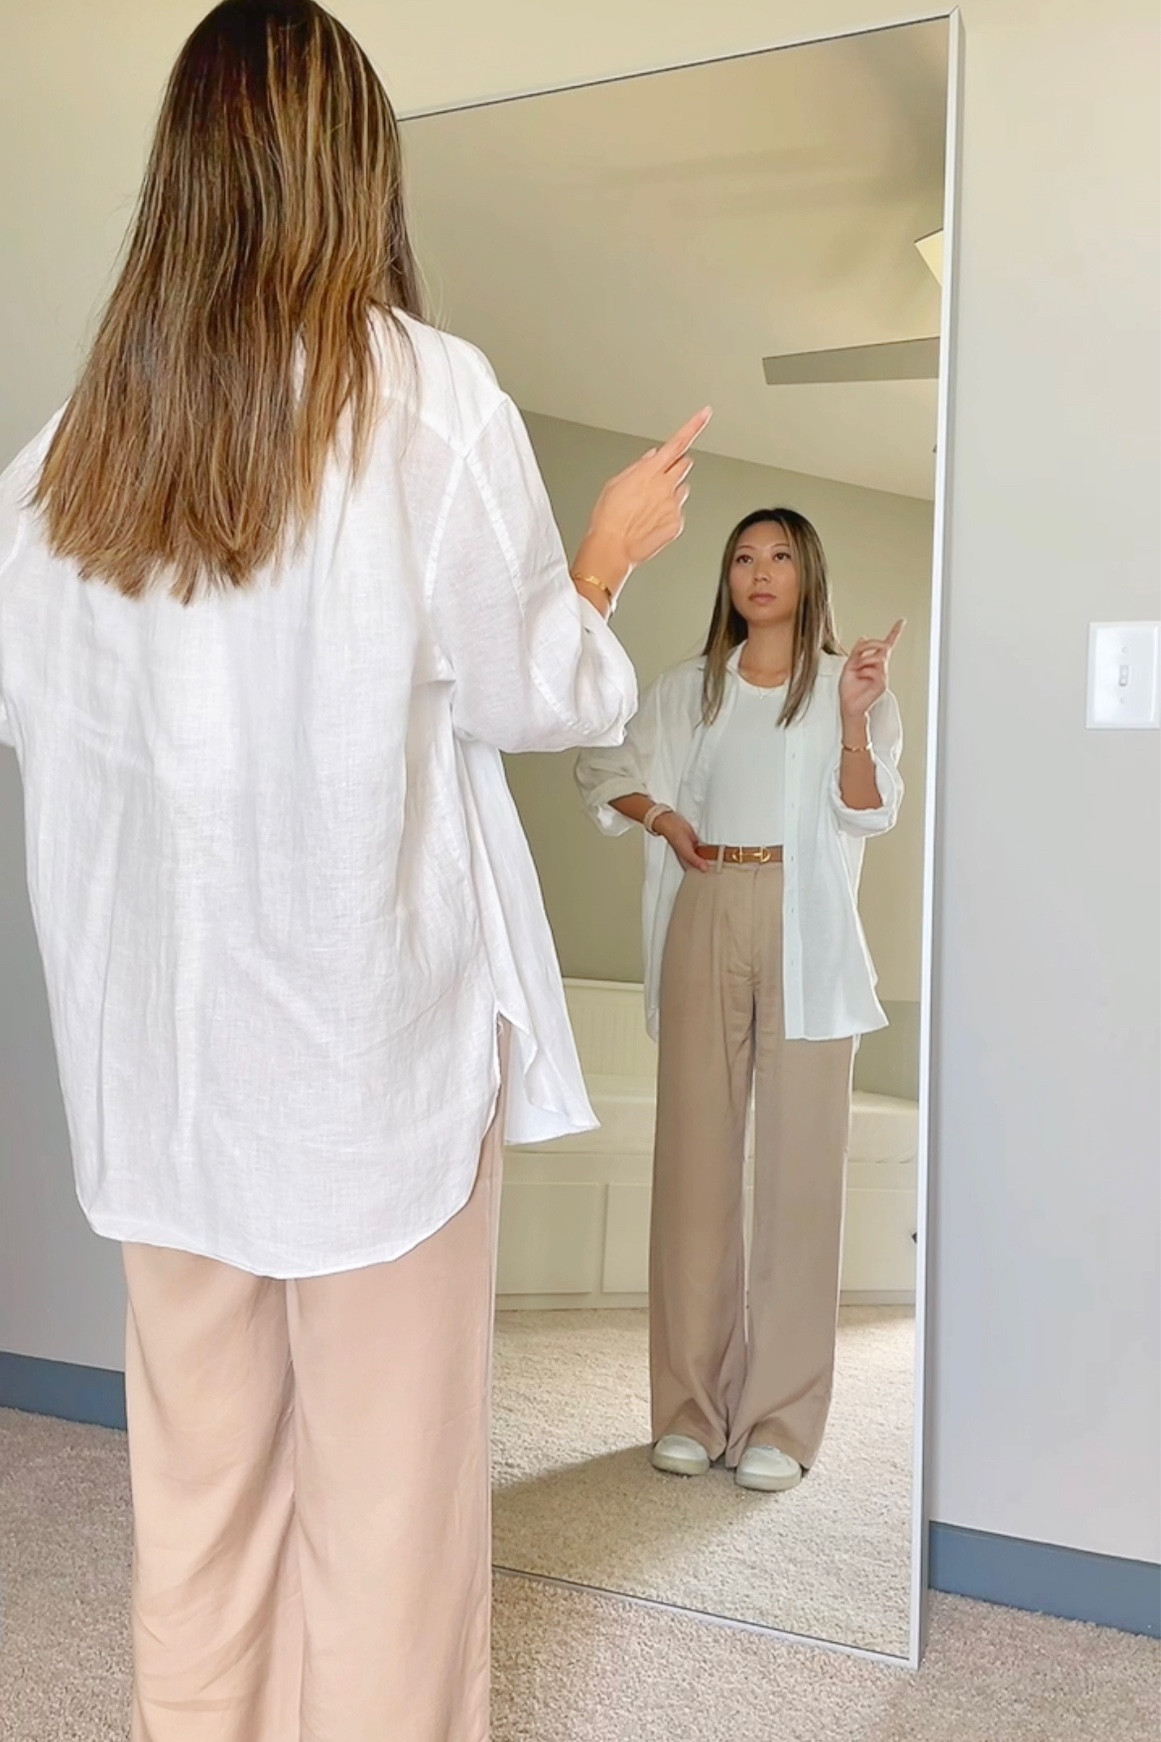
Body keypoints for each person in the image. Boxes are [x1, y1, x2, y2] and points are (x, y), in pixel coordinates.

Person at [0, 4, 711, 1738]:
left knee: (197, 1499)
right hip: (364, 1062)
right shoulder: (422, 399)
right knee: (389, 1517)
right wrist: (604, 560)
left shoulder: (63, 456)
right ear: (351, 169)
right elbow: (538, 692)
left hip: (158, 1078)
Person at [575, 508, 904, 1494]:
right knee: (693, 1165)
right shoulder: (690, 687)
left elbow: (867, 811)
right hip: (707, 898)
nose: (760, 572)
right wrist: (662, 816)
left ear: (810, 574)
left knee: (802, 1177)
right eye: (744, 557)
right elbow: (602, 763)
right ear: (728, 578)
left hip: (808, 924)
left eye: (781, 556)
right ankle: (688, 1409)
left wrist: (855, 716)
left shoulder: (853, 687)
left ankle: (780, 1421)